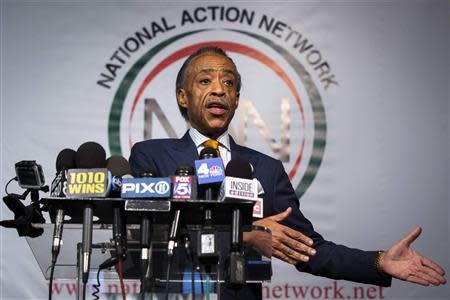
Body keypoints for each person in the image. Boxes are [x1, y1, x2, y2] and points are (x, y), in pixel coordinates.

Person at [129, 46, 446, 299]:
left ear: (237, 99)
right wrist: (247, 236)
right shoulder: (151, 156)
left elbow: (309, 249)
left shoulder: (266, 169)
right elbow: (150, 236)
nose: (219, 90)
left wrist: (378, 262)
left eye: (229, 83)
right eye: (205, 81)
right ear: (182, 97)